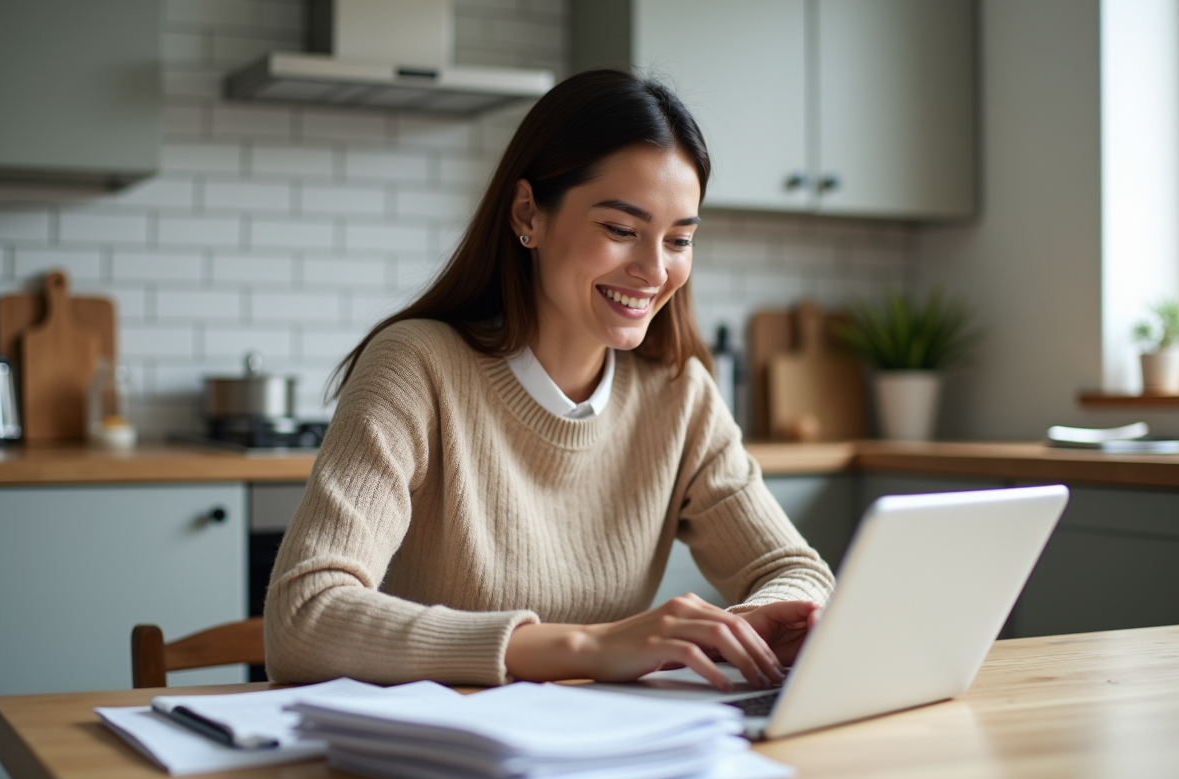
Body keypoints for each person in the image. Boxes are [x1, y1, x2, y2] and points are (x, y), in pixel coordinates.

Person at [265, 69, 835, 691]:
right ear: (527, 213)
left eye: (679, 239)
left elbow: (796, 570)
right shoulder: (416, 368)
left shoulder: (681, 396)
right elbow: (303, 619)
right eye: (620, 230)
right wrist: (588, 646)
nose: (653, 269)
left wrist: (741, 626)